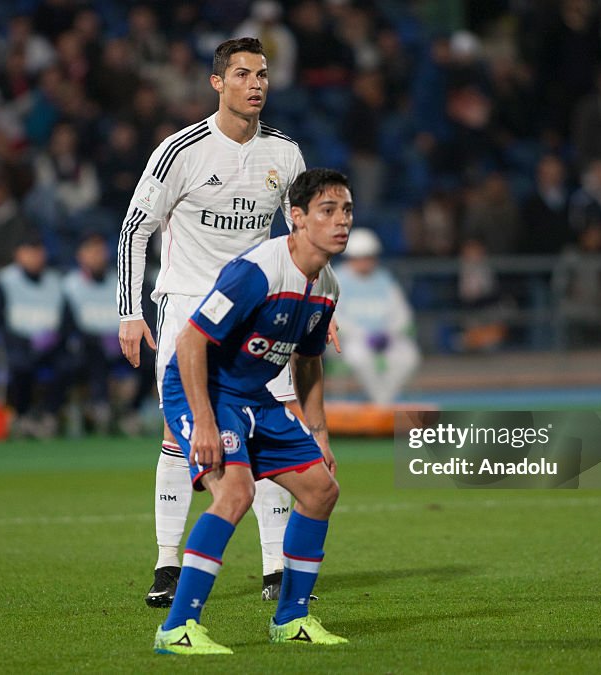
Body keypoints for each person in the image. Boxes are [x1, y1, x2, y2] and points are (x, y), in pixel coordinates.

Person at [117, 37, 309, 607]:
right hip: (186, 306)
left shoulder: (285, 153)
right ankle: (167, 564)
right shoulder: (181, 150)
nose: (256, 84)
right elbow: (135, 229)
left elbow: (302, 237)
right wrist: (130, 312)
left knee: (271, 427)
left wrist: (312, 306)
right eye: (244, 74)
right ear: (217, 83)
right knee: (183, 437)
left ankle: (276, 569)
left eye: (263, 75)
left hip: (256, 313)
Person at [153, 168, 351, 655]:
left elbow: (307, 362)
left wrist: (319, 434)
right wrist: (202, 419)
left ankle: (291, 619)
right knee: (236, 493)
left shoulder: (325, 286)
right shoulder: (259, 270)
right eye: (328, 211)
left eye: (346, 210)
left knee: (321, 490)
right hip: (202, 387)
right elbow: (191, 340)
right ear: (297, 218)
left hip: (254, 395)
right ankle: (177, 628)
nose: (341, 221)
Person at [63, 231, 153, 434]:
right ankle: (100, 408)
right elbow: (67, 326)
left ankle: (131, 412)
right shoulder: (71, 285)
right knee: (93, 356)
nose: (97, 254)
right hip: (89, 347)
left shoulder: (121, 281)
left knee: (151, 360)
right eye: (91, 250)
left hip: (122, 342)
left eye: (100, 249)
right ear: (80, 255)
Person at [0, 230, 67, 439]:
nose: (35, 256)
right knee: (21, 365)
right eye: (29, 251)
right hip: (18, 344)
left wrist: (55, 336)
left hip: (50, 344)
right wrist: (21, 341)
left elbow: (67, 320)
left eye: (39, 250)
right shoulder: (4, 280)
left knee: (69, 364)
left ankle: (50, 415)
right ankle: (23, 416)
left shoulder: (55, 281)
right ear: (18, 254)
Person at [332, 228, 419, 404]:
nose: (364, 262)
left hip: (386, 338)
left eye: (368, 257)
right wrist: (362, 334)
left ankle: (381, 402)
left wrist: (389, 333)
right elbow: (334, 316)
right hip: (352, 340)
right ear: (351, 258)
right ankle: (381, 403)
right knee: (361, 358)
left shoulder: (384, 279)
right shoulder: (336, 279)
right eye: (360, 257)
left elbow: (402, 313)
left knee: (409, 357)